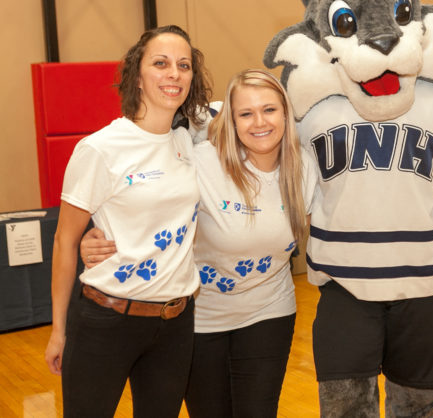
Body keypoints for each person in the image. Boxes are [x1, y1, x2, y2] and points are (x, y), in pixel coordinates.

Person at [81, 70, 316, 417]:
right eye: (245, 114)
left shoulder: (305, 168)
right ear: (230, 120)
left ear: (285, 113)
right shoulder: (202, 160)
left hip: (269, 312)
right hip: (199, 320)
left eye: (269, 110)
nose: (259, 122)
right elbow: (143, 196)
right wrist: (94, 232)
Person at [44, 24, 212, 417]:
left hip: (175, 322)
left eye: (184, 65)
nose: (174, 74)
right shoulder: (100, 149)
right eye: (161, 63)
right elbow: (65, 242)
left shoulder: (189, 139)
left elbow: (251, 111)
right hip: (107, 319)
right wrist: (57, 331)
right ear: (137, 75)